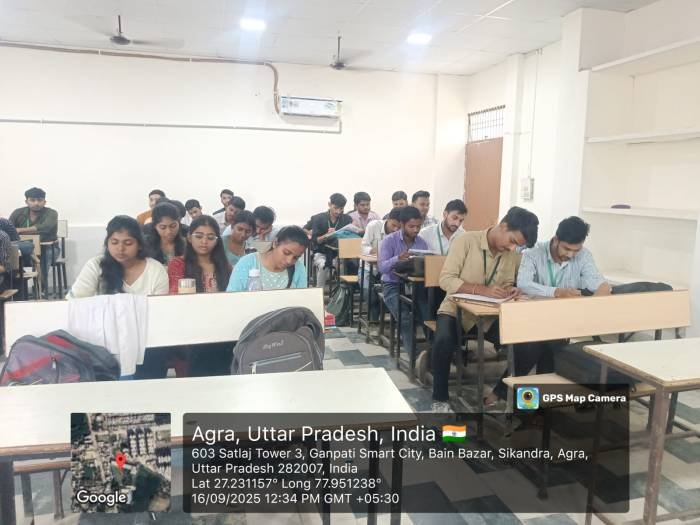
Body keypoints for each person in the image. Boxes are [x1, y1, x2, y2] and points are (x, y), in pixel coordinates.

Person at [480, 217, 612, 405]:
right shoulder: (533, 254)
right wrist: (557, 292)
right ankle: (534, 406)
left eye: (576, 250)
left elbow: (603, 286)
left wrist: (591, 305)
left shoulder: (583, 256)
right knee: (538, 348)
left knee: (548, 348)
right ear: (556, 239)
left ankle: (518, 400)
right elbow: (524, 284)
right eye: (567, 249)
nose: (571, 255)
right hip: (532, 320)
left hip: (560, 323)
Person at [430, 206, 539, 412]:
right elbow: (446, 279)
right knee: (443, 341)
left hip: (489, 316)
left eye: (518, 246)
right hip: (455, 310)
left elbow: (507, 282)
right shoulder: (466, 241)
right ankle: (440, 399)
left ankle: (497, 394)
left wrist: (511, 290)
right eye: (512, 241)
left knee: (530, 346)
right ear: (503, 226)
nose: (512, 248)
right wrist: (481, 290)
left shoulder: (510, 254)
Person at [165, 215, 233, 377]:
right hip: (190, 331)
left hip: (222, 330)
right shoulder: (178, 264)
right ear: (189, 237)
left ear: (217, 240)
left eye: (210, 237)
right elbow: (175, 297)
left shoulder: (225, 267)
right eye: (199, 236)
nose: (204, 241)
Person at [69, 215, 168, 298]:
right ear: (107, 243)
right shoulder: (95, 266)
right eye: (114, 242)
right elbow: (74, 302)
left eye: (128, 243)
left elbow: (159, 308)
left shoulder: (156, 271)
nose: (120, 248)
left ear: (140, 245)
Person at [378, 206, 430, 358]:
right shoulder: (389, 241)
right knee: (405, 318)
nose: (416, 230)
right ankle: (416, 357)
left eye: (418, 226)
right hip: (392, 284)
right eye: (411, 226)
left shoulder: (422, 243)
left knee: (427, 315)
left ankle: (436, 352)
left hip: (414, 285)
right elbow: (382, 268)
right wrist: (397, 258)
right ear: (402, 224)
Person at [227, 226, 309, 291]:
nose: (289, 261)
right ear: (275, 243)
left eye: (296, 257)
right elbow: (232, 298)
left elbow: (301, 299)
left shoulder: (298, 268)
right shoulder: (248, 263)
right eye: (286, 253)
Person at [9, 187, 59, 295]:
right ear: (26, 201)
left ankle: (40, 288)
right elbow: (9, 229)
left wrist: (20, 230)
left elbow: (45, 227)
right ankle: (18, 290)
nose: (36, 203)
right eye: (32, 200)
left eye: (39, 200)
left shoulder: (52, 213)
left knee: (44, 255)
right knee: (11, 255)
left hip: (48, 248)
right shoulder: (18, 213)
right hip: (25, 249)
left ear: (44, 202)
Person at [309, 193, 353, 289]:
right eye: (336, 208)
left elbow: (350, 236)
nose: (338, 211)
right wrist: (326, 235)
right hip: (321, 252)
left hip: (339, 254)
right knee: (323, 265)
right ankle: (319, 291)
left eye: (341, 209)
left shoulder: (347, 219)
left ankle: (342, 292)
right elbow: (316, 240)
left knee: (344, 265)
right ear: (329, 204)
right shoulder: (319, 218)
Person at [144, 202, 186, 266]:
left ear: (179, 223)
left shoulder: (186, 244)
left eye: (173, 226)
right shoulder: (145, 245)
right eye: (163, 227)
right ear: (155, 226)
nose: (169, 231)